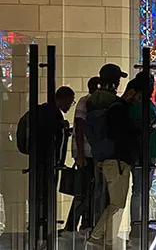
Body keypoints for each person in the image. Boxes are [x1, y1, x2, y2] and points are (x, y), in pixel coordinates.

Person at [87, 64, 139, 248]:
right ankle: (99, 236)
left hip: (100, 156)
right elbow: (119, 131)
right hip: (116, 158)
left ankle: (107, 238)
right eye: (118, 79)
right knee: (117, 203)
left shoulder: (92, 100)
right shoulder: (114, 103)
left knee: (109, 200)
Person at [125, 71, 156, 242]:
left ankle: (142, 224)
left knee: (143, 189)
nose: (152, 87)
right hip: (141, 153)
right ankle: (137, 226)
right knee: (139, 190)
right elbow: (137, 128)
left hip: (150, 152)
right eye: (149, 83)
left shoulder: (147, 103)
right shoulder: (137, 104)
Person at [36, 86, 75, 239]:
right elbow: (50, 138)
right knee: (46, 196)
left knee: (42, 196)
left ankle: (43, 228)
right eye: (70, 102)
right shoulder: (53, 114)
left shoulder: (44, 111)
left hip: (41, 161)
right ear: (63, 99)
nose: (69, 106)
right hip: (47, 163)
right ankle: (46, 230)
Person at [65, 77, 101, 234]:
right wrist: (80, 154)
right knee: (84, 191)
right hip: (86, 154)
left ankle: (85, 224)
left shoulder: (93, 102)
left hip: (92, 153)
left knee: (92, 191)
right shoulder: (85, 102)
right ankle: (72, 226)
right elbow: (79, 127)